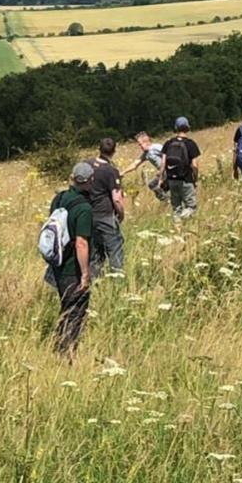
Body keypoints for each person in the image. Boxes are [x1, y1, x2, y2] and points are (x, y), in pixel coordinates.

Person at [49, 162, 94, 359]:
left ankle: (59, 347)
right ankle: (66, 354)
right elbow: (81, 243)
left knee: (66, 307)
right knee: (75, 312)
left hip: (57, 263)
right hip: (72, 268)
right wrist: (85, 274)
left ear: (72, 177)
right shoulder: (84, 208)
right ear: (90, 181)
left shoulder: (59, 198)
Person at [88, 138, 125, 277]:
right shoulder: (111, 171)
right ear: (114, 151)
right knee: (115, 248)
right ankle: (118, 279)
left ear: (99, 149)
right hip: (105, 215)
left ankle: (94, 280)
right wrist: (121, 214)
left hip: (89, 214)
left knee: (95, 252)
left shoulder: (87, 164)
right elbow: (116, 198)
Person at [159, 116, 201, 220]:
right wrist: (195, 178)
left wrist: (161, 179)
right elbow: (195, 165)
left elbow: (163, 164)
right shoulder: (190, 144)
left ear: (176, 128)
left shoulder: (168, 143)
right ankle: (183, 217)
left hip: (171, 180)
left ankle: (177, 230)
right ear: (187, 127)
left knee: (176, 208)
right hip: (186, 179)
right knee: (191, 207)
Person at [123, 131, 167, 201]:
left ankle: (167, 200)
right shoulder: (146, 154)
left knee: (156, 185)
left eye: (140, 144)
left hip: (168, 172)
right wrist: (123, 172)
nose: (140, 147)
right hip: (163, 174)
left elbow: (169, 155)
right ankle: (166, 201)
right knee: (152, 185)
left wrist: (163, 169)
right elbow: (135, 164)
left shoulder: (156, 147)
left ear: (146, 142)